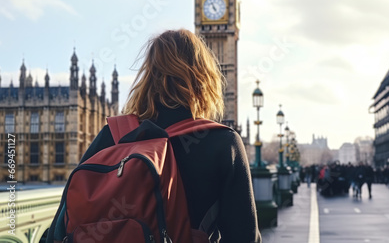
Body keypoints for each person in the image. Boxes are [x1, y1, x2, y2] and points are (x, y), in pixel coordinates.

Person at [47, 29, 262, 242]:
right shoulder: (223, 143)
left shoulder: (113, 135)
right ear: (204, 78)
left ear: (149, 76)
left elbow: (59, 225)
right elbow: (244, 236)